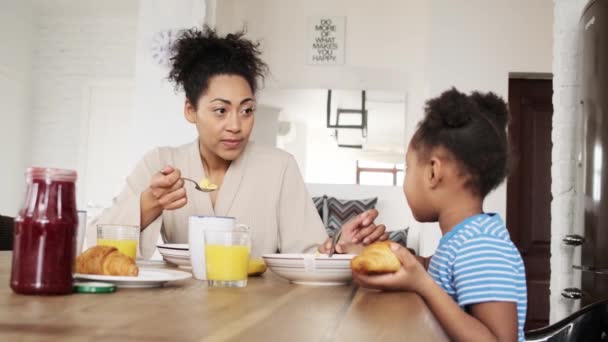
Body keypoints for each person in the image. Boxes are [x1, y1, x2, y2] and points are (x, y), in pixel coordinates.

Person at [89, 26, 387, 259]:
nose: (236, 126)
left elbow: (308, 253)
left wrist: (335, 248)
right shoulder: (161, 164)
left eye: (246, 110)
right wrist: (149, 204)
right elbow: (93, 245)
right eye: (221, 110)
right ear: (190, 110)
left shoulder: (279, 167)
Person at [353, 88, 527, 341]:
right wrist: (362, 251)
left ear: (433, 171)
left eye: (408, 168)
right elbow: (430, 268)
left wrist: (423, 285)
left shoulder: (481, 245)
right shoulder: (463, 239)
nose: (405, 181)